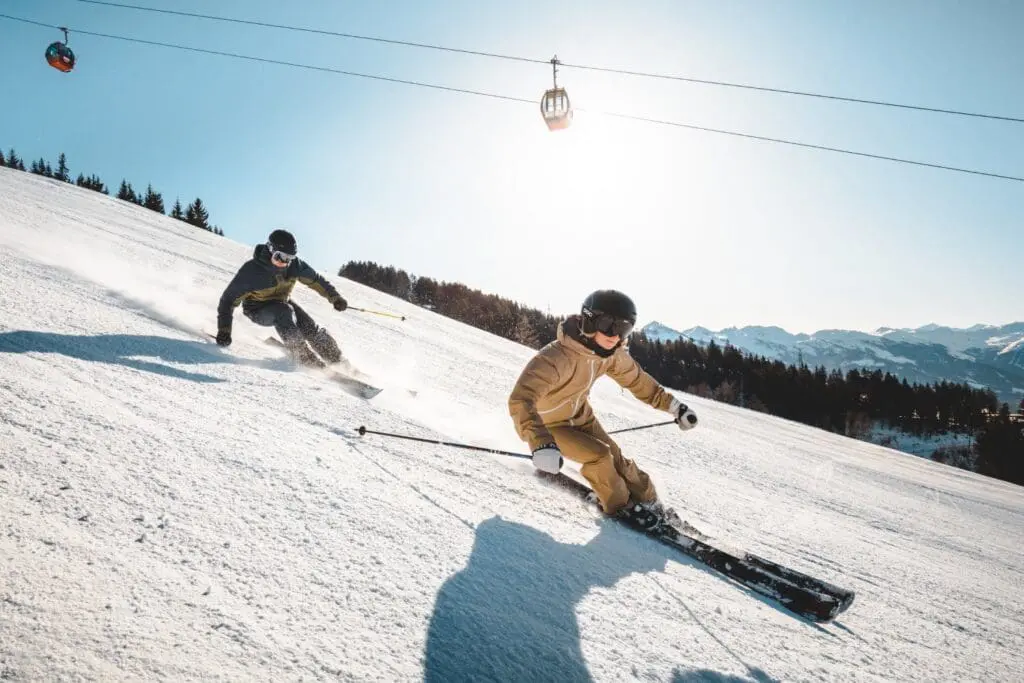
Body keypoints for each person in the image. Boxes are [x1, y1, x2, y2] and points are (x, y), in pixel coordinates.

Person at [508, 289, 699, 529]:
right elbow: (521, 399)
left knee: (617, 459)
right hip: (548, 426)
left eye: (623, 329)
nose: (614, 335)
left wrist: (675, 407)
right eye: (608, 325)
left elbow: (637, 381)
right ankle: (620, 506)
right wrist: (540, 442)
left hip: (580, 416)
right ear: (589, 321)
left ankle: (650, 503)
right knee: (599, 455)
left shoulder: (609, 355)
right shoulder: (555, 358)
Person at [216, 229, 349, 368]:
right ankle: (303, 356)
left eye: (289, 258)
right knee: (283, 312)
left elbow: (316, 281)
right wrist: (224, 330)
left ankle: (337, 359)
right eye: (280, 256)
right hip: (257, 309)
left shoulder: (295, 266)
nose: (284, 262)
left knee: (309, 326)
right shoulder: (252, 271)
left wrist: (335, 298)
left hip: (283, 302)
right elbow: (228, 301)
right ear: (270, 249)